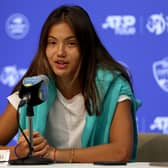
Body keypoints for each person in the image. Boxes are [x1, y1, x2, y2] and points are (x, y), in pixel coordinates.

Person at [0, 4, 141, 163]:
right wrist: (17, 152)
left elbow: (121, 151)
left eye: (71, 44)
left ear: (87, 48)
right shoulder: (33, 88)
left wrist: (53, 154)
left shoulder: (113, 87)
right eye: (52, 43)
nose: (60, 52)